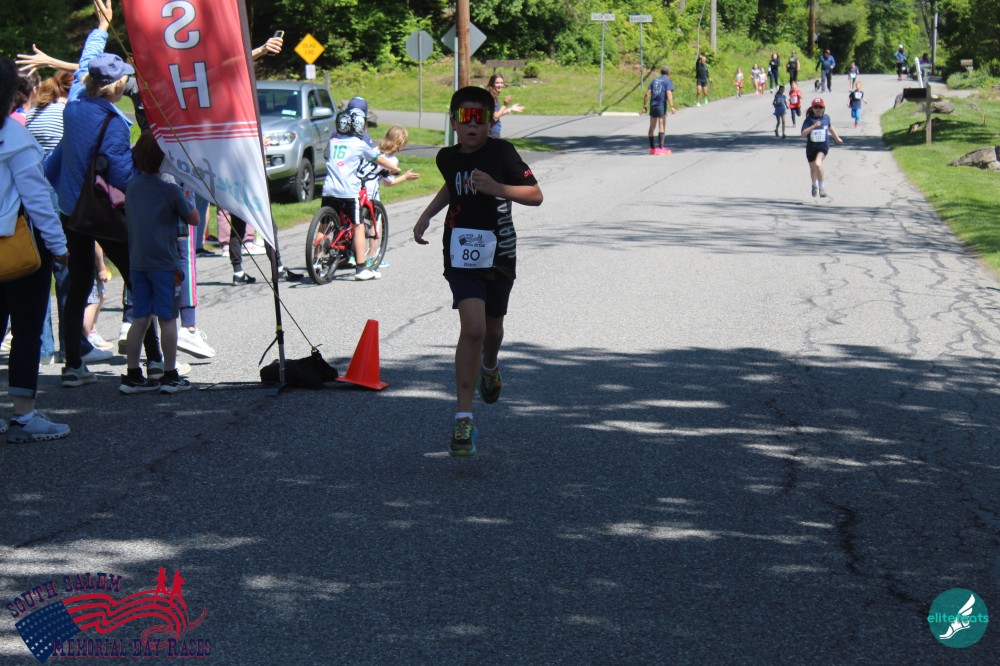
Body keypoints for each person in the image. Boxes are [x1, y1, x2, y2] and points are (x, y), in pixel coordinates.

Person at [412, 86, 543, 457]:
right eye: (465, 118)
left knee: (493, 330)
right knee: (473, 328)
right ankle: (463, 419)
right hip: (460, 252)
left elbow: (535, 194)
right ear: (453, 122)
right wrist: (427, 214)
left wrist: (497, 187)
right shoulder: (446, 157)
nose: (472, 126)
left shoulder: (502, 153)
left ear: (489, 121)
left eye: (480, 118)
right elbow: (452, 185)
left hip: (500, 251)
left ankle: (490, 366)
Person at [0, 56, 72, 442]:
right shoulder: (14, 138)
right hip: (18, 246)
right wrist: (59, 247)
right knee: (27, 331)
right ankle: (24, 415)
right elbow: (39, 199)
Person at [120, 131, 198, 394]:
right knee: (167, 319)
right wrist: (186, 191)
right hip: (165, 263)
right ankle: (170, 374)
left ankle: (132, 373)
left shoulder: (132, 187)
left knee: (140, 319)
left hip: (138, 263)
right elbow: (194, 218)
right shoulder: (170, 190)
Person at [320, 107, 400, 281]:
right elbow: (378, 159)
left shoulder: (333, 142)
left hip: (328, 189)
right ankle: (361, 267)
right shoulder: (359, 144)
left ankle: (316, 261)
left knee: (323, 225)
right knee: (358, 226)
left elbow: (327, 156)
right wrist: (394, 169)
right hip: (348, 191)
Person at [357, 125, 420, 268]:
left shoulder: (373, 150)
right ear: (401, 143)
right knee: (376, 223)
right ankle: (372, 257)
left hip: (358, 187)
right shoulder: (392, 160)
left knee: (357, 221)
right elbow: (388, 183)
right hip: (371, 192)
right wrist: (405, 177)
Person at [801, 97, 844, 198]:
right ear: (812, 108)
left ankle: (822, 188)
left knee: (818, 164)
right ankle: (814, 185)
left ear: (824, 108)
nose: (818, 109)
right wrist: (813, 126)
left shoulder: (826, 118)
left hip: (823, 146)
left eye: (820, 107)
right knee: (813, 169)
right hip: (811, 147)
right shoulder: (809, 120)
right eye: (816, 107)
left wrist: (837, 138)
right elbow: (803, 134)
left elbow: (830, 127)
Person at [640, 65, 676, 155]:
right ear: (668, 73)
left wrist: (644, 106)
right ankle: (661, 148)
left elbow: (647, 94)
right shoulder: (667, 81)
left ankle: (652, 148)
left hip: (653, 105)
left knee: (652, 127)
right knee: (662, 125)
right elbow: (669, 93)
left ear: (661, 72)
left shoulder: (654, 80)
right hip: (661, 105)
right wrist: (672, 106)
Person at [485, 73, 523, 139]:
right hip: (492, 132)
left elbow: (497, 114)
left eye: (502, 83)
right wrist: (505, 104)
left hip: (492, 132)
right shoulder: (492, 97)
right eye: (497, 83)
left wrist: (510, 109)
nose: (500, 85)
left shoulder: (492, 96)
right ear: (492, 83)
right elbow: (495, 117)